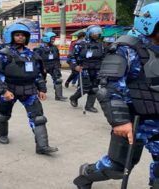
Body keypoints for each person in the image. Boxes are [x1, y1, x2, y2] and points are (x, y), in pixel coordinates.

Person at [73, 2, 159, 189]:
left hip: (157, 116)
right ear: (152, 25)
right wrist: (119, 121)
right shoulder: (126, 48)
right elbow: (108, 88)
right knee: (118, 167)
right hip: (133, 118)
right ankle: (86, 174)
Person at [0, 19, 58, 155]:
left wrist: (42, 89)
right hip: (9, 89)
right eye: (17, 35)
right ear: (11, 36)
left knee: (38, 118)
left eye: (23, 35)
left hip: (29, 89)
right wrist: (4, 90)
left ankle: (42, 146)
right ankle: (1, 134)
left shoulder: (33, 54)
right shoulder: (3, 54)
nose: (20, 37)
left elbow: (38, 74)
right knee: (3, 115)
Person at [69, 25, 104, 113]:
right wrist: (75, 66)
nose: (96, 36)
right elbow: (71, 57)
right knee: (85, 87)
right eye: (94, 34)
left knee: (94, 88)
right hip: (84, 69)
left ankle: (89, 105)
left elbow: (103, 57)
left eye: (98, 34)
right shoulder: (80, 44)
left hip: (97, 69)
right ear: (89, 34)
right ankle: (74, 97)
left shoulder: (100, 45)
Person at [34, 32, 67, 101]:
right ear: (46, 39)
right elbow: (36, 60)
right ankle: (40, 93)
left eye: (54, 39)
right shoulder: (38, 48)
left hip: (54, 66)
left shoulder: (54, 47)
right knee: (41, 81)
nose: (53, 40)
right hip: (44, 66)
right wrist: (41, 68)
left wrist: (58, 66)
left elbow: (57, 57)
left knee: (58, 80)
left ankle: (59, 96)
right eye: (52, 39)